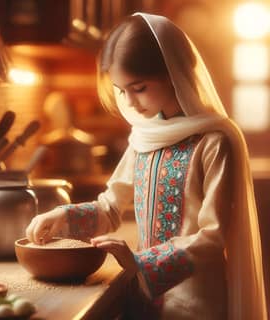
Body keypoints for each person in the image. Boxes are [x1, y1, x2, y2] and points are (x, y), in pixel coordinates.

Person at [25, 13, 267, 320]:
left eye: (139, 88)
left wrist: (141, 262)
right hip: (141, 293)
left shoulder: (213, 142)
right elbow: (110, 209)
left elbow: (213, 234)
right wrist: (62, 216)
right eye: (121, 90)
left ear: (176, 71)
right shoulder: (143, 138)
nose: (130, 102)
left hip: (195, 303)